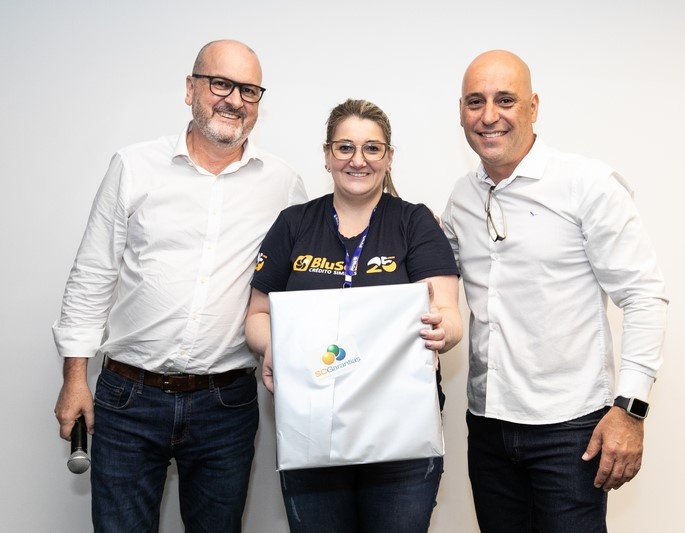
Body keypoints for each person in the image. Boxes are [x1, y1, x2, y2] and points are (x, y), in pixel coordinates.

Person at [52, 39, 307, 532]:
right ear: (191, 88)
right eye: (221, 84)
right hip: (127, 399)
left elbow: (307, 275)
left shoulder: (283, 184)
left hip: (226, 405)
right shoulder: (134, 166)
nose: (234, 100)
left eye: (249, 90)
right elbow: (92, 274)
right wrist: (74, 378)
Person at [441, 49, 668, 532]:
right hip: (487, 427)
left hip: (571, 432)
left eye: (505, 100)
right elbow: (429, 277)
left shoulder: (587, 184)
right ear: (461, 111)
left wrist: (630, 410)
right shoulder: (461, 197)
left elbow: (643, 295)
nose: (488, 115)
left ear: (533, 106)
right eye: (475, 101)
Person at [245, 98, 463, 533]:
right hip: (311, 424)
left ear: (389, 156)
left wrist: (443, 329)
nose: (357, 160)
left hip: (401, 428)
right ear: (327, 155)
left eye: (372, 148)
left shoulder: (415, 223)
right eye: (345, 147)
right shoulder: (293, 223)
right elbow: (257, 314)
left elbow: (449, 315)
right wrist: (275, 347)